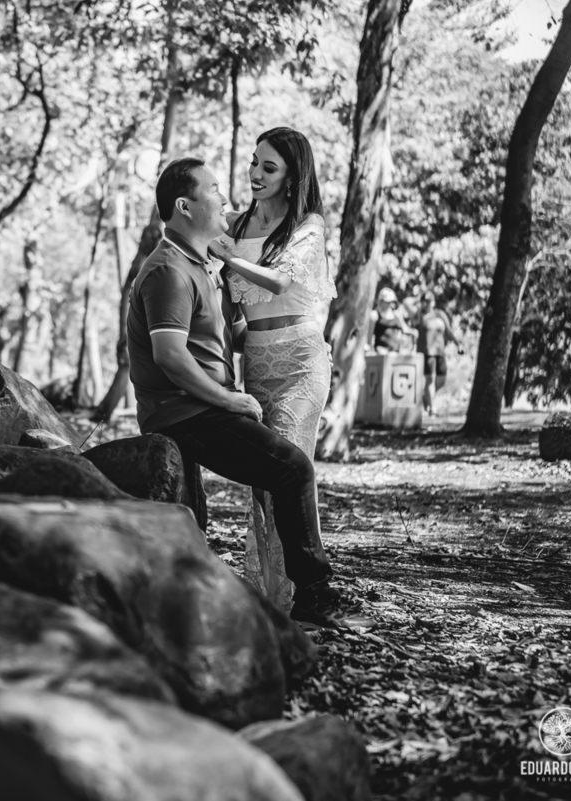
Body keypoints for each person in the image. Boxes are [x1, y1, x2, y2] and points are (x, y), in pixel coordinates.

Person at [126, 157, 340, 623]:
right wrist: (230, 399)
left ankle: (284, 593)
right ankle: (316, 598)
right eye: (214, 190)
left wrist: (299, 342)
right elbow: (170, 355)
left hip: (206, 406)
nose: (225, 198)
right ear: (184, 207)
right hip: (185, 412)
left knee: (284, 473)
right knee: (292, 469)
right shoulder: (167, 270)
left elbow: (232, 336)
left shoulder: (206, 268)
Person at [207, 127, 334, 614]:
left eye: (269, 167)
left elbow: (280, 282)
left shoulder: (307, 225)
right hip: (256, 361)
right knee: (264, 483)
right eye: (254, 162)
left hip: (301, 362)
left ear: (292, 176)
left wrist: (228, 257)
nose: (255, 173)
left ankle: (308, 592)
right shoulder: (237, 225)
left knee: (290, 469)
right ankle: (272, 595)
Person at [416, 291, 464, 414]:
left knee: (441, 380)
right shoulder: (419, 315)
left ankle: (425, 397)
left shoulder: (439, 314)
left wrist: (458, 344)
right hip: (427, 353)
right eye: (424, 301)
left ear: (433, 302)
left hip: (440, 352)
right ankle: (432, 408)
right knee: (430, 380)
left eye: (428, 301)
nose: (426, 304)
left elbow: (449, 331)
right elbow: (406, 303)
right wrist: (417, 299)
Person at [369, 287, 417, 353]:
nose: (389, 304)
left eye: (391, 302)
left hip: (395, 352)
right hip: (381, 352)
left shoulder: (396, 314)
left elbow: (405, 330)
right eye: (387, 302)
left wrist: (414, 332)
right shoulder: (375, 315)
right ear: (381, 301)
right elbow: (369, 338)